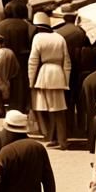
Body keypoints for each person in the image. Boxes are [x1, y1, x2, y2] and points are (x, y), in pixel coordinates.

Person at [27, 11, 71, 149]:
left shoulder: (38, 38)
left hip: (44, 74)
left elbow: (33, 61)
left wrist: (31, 80)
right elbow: (67, 62)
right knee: (58, 109)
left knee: (49, 109)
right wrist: (66, 81)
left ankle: (56, 139)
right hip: (58, 74)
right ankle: (58, 139)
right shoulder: (59, 38)